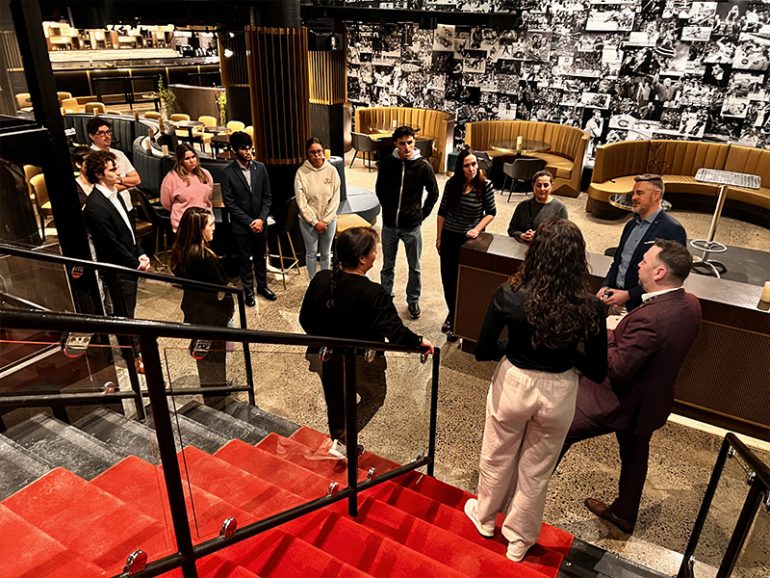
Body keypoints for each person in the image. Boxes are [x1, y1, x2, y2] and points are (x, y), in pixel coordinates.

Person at [466, 219, 607, 563]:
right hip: (559, 391)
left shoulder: (509, 294)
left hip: (514, 382)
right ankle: (519, 540)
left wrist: (510, 347)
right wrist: (566, 352)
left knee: (497, 454)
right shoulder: (592, 306)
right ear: (578, 259)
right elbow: (597, 370)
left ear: (535, 252)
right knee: (537, 469)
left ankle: (485, 518)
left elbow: (482, 350)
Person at [558, 240, 701, 533]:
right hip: (652, 400)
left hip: (619, 400)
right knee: (635, 453)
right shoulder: (690, 304)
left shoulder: (650, 318)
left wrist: (610, 331)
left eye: (645, 261)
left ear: (660, 272)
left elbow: (619, 368)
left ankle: (519, 498)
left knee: (555, 432)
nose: (639, 264)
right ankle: (624, 513)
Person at [299, 227, 433, 458]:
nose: (376, 253)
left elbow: (304, 318)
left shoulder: (322, 278)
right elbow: (395, 332)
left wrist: (325, 338)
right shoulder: (374, 293)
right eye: (374, 250)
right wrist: (419, 341)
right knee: (374, 395)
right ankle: (343, 440)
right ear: (362, 258)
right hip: (360, 360)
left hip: (323, 355)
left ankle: (341, 439)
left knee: (336, 396)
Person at [83, 150, 150, 370]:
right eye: (112, 169)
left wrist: (140, 252)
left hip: (130, 261)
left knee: (129, 312)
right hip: (118, 269)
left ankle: (135, 350)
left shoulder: (117, 194)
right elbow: (111, 244)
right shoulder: (95, 207)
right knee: (123, 316)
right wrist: (135, 263)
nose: (117, 172)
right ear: (99, 174)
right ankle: (132, 358)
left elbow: (129, 230)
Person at [170, 207, 234, 406]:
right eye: (210, 225)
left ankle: (216, 389)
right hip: (210, 314)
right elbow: (221, 284)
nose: (214, 228)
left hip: (196, 309)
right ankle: (215, 398)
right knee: (212, 355)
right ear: (199, 229)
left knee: (207, 353)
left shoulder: (184, 250)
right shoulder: (202, 257)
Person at [375, 125, 440, 320]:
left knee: (415, 266)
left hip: (412, 226)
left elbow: (434, 193)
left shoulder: (423, 166)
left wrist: (421, 215)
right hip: (389, 225)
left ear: (414, 142)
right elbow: (380, 189)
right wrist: (388, 208)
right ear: (395, 143)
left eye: (410, 143)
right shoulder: (387, 163)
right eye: (402, 143)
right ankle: (386, 297)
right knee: (387, 265)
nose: (406, 147)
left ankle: (413, 299)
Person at [598, 174, 686, 311]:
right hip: (615, 300)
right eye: (633, 193)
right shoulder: (631, 225)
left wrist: (629, 295)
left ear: (656, 195)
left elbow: (670, 278)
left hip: (643, 307)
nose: (633, 198)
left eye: (640, 193)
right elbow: (618, 261)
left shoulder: (672, 229)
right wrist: (606, 285)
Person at [436, 149, 496, 341]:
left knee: (465, 281)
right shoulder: (452, 184)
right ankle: (453, 314)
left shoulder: (485, 185)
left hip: (469, 241)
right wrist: (439, 238)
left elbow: (491, 212)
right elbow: (442, 212)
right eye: (466, 165)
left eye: (474, 164)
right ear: (460, 167)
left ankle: (458, 320)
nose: (471, 169)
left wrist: (477, 229)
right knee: (448, 280)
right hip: (449, 237)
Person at [221, 131, 276, 306]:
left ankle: (262, 286)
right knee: (244, 260)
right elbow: (230, 204)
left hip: (261, 223)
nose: (248, 152)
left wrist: (260, 219)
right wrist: (249, 222)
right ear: (234, 150)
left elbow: (267, 197)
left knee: (261, 257)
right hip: (241, 226)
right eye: (244, 149)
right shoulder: (228, 173)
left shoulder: (260, 167)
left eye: (250, 148)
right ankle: (248, 291)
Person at [294, 137, 340, 279]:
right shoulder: (301, 172)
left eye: (319, 151)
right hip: (308, 222)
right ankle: (313, 282)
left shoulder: (332, 171)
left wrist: (325, 221)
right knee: (311, 253)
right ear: (308, 154)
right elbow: (301, 202)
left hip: (329, 221)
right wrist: (315, 222)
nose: (316, 155)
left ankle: (326, 281)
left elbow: (335, 198)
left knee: (326, 253)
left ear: (323, 152)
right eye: (312, 152)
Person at [87, 117, 141, 209]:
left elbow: (136, 179)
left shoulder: (119, 153)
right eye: (101, 133)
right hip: (107, 208)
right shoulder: (89, 157)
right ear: (91, 136)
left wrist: (118, 180)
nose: (107, 136)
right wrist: (126, 183)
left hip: (127, 205)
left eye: (108, 132)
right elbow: (99, 188)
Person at [160, 143, 213, 232]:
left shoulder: (205, 174)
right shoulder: (171, 178)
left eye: (193, 157)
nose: (192, 161)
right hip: (183, 225)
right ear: (180, 161)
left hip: (205, 223)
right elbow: (166, 203)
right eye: (187, 158)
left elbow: (208, 197)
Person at [507, 170, 568, 242]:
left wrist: (541, 236)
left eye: (546, 185)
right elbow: (511, 230)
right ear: (533, 185)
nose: (542, 189)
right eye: (538, 185)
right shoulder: (522, 206)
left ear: (551, 186)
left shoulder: (560, 208)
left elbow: (564, 235)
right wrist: (522, 235)